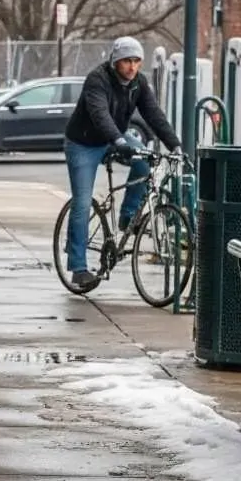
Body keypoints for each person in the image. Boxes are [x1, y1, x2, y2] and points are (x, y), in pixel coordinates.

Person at [63, 36, 180, 292]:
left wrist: (176, 145)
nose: (132, 67)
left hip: (115, 136)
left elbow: (153, 114)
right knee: (82, 203)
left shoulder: (138, 83)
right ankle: (78, 267)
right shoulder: (98, 79)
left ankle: (127, 217)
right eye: (127, 61)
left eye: (137, 61)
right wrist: (117, 139)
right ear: (116, 61)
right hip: (84, 143)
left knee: (142, 162)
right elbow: (99, 114)